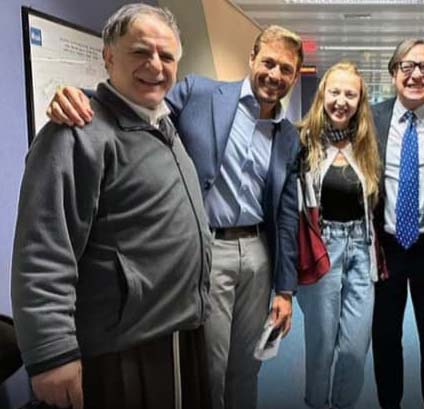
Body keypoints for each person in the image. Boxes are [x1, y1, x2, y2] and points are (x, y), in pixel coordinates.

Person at [45, 25, 303, 409]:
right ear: (252, 58)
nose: (275, 75)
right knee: (210, 366)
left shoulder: (288, 136)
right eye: (269, 62)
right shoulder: (200, 93)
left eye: (286, 69)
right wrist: (81, 98)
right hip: (208, 249)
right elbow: (137, 103)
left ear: (295, 78)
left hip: (258, 253)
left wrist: (284, 289)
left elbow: (286, 215)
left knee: (248, 365)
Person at [12, 4, 212, 409]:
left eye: (166, 55)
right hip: (122, 351)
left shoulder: (163, 125)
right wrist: (51, 354)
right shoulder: (74, 135)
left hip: (178, 333)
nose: (155, 65)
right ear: (108, 57)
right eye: (140, 52)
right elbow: (44, 250)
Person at [370, 39, 424, 409]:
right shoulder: (371, 117)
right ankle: (389, 402)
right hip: (386, 248)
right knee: (385, 335)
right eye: (407, 66)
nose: (416, 74)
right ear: (394, 73)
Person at [295, 61, 381, 409]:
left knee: (355, 348)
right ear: (322, 95)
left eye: (350, 94)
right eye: (335, 92)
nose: (341, 101)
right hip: (323, 247)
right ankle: (317, 402)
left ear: (360, 101)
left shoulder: (367, 144)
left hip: (361, 247)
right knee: (321, 346)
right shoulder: (303, 141)